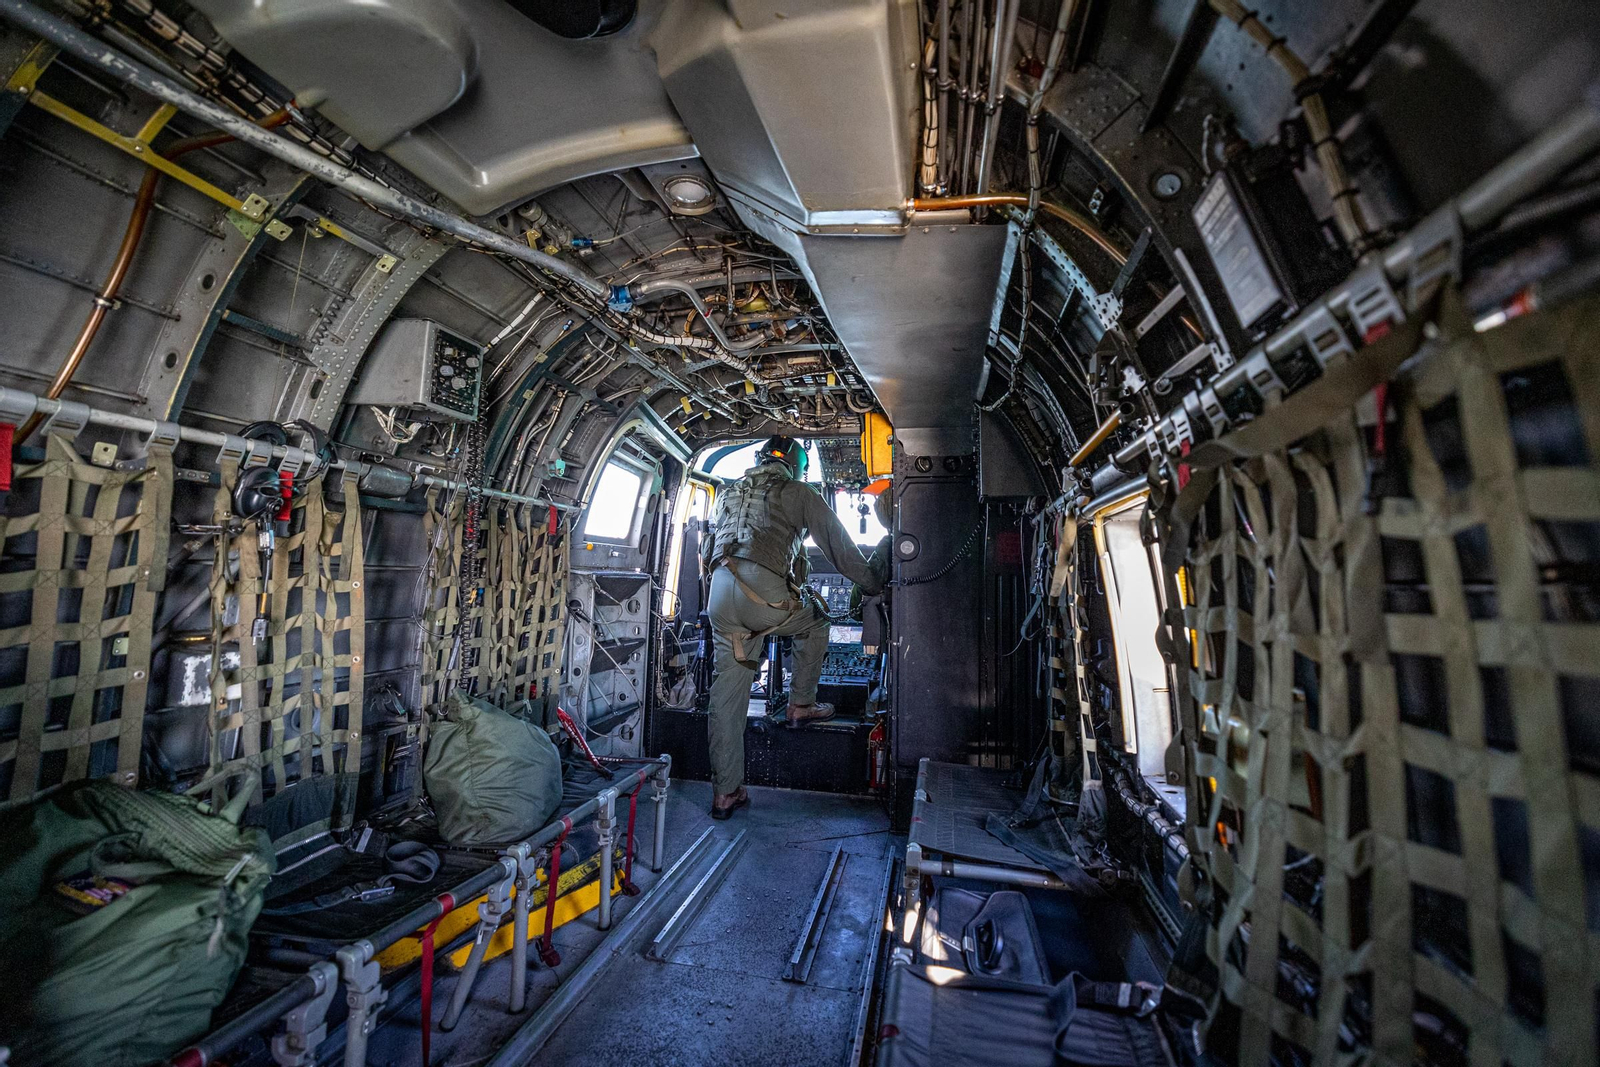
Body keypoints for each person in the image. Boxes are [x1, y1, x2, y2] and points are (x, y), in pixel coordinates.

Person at [699, 435, 885, 819]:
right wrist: (870, 583)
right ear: (797, 467)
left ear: (760, 458)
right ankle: (801, 704)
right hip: (762, 596)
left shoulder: (728, 494)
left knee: (727, 697)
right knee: (815, 622)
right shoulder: (796, 491)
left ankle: (725, 793)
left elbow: (708, 550)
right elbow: (837, 544)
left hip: (718, 596)